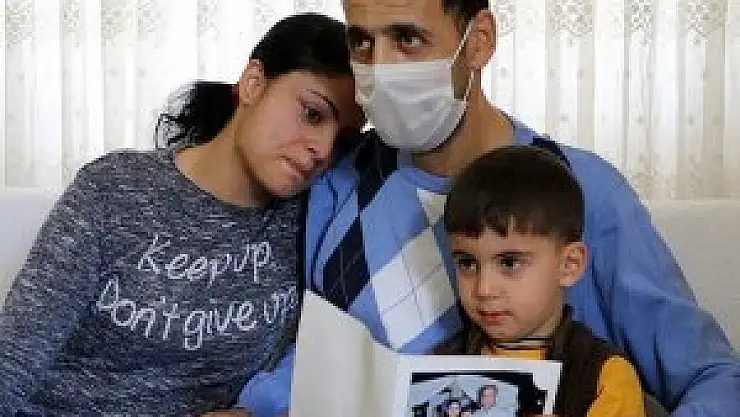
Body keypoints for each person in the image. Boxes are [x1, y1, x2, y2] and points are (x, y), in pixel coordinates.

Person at [238, 0, 739, 416]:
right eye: (362, 43)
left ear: (478, 41)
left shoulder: (582, 189)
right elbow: (316, 354)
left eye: (408, 39)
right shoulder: (334, 183)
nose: (381, 67)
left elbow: (713, 378)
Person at [0, 13, 362, 416]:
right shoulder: (115, 189)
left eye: (343, 140)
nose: (323, 149)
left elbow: (330, 353)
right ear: (253, 83)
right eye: (312, 114)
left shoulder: (311, 220)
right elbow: (15, 358)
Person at [436, 146, 645, 417]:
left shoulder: (605, 376)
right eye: (467, 263)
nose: (484, 289)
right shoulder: (441, 363)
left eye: (509, 263)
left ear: (569, 265)